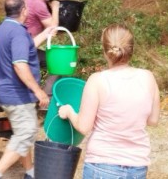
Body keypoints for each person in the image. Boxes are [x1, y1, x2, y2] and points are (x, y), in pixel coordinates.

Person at [58, 24, 160, 179]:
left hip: (102, 165)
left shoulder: (97, 80)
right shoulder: (148, 77)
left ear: (105, 51)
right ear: (131, 49)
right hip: (137, 167)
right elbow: (153, 120)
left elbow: (84, 126)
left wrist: (69, 112)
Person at [0, 0, 55, 179]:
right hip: (17, 95)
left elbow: (26, 47)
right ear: (24, 11)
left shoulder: (4, 29)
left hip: (5, 92)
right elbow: (20, 65)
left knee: (23, 132)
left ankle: (30, 172)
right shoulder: (19, 33)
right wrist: (39, 92)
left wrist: (45, 34)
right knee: (27, 133)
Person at [24, 0, 61, 95]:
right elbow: (53, 28)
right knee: (58, 65)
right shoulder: (38, 4)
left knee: (54, 63)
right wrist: (55, 8)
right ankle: (47, 99)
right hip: (27, 50)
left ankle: (43, 97)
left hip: (28, 46)